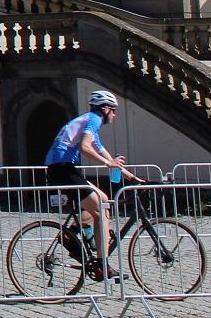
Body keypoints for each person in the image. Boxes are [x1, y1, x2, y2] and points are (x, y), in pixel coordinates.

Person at [44, 89, 144, 279]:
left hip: (65, 169)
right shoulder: (93, 119)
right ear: (104, 109)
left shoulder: (90, 123)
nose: (114, 114)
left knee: (103, 200)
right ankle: (102, 265)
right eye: (113, 110)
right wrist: (109, 163)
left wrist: (133, 178)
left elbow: (107, 157)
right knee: (100, 207)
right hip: (62, 169)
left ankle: (71, 233)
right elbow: (85, 148)